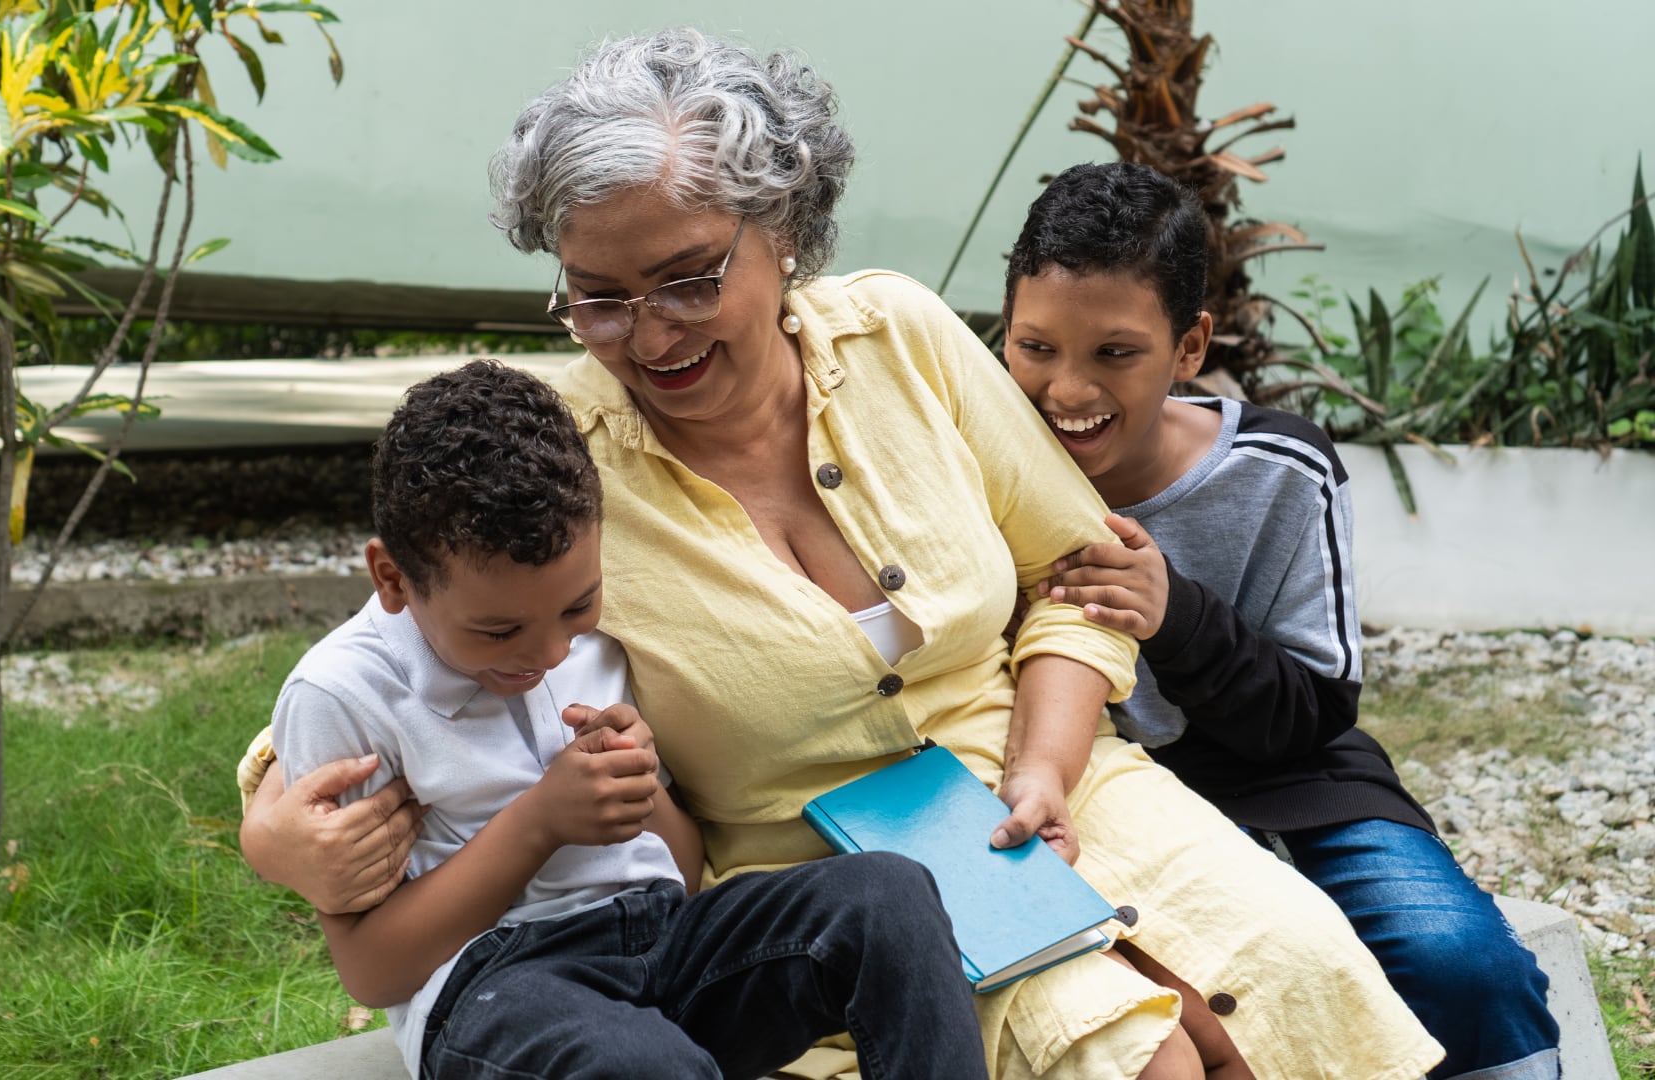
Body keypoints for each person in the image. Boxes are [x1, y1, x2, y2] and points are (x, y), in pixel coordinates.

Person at [242, 29, 1447, 1080]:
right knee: (1145, 1057)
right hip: (833, 874)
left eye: (687, 280)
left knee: (1290, 979)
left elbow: (1076, 574)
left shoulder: (904, 337)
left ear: (786, 233)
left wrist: (1041, 761)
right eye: (598, 298)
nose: (646, 333)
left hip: (1063, 789)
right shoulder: (563, 456)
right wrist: (271, 830)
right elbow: (413, 650)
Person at [268, 358, 991, 1080]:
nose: (549, 652)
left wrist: (640, 791)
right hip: (501, 990)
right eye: (497, 633)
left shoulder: (602, 630)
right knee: (642, 1062)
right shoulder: (343, 696)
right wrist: (539, 822)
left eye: (577, 607)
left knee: (886, 897)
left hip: (662, 940)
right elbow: (372, 971)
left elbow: (673, 871)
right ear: (392, 578)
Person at [1001, 161, 1561, 1080]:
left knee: (1459, 963)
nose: (1066, 390)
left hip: (1285, 782)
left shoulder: (1279, 470)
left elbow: (1312, 712)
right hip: (1084, 806)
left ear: (1189, 347)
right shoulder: (975, 465)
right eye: (1035, 348)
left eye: (1114, 352)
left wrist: (1175, 615)